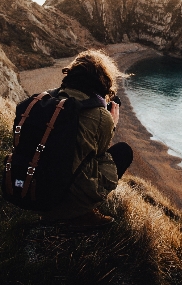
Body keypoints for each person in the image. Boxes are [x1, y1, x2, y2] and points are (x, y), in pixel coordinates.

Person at [39, 49, 133, 229]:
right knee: (122, 152)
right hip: (63, 197)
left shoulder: (49, 97)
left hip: (33, 188)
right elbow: (99, 153)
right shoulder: (99, 116)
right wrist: (111, 124)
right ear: (102, 80)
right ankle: (81, 214)